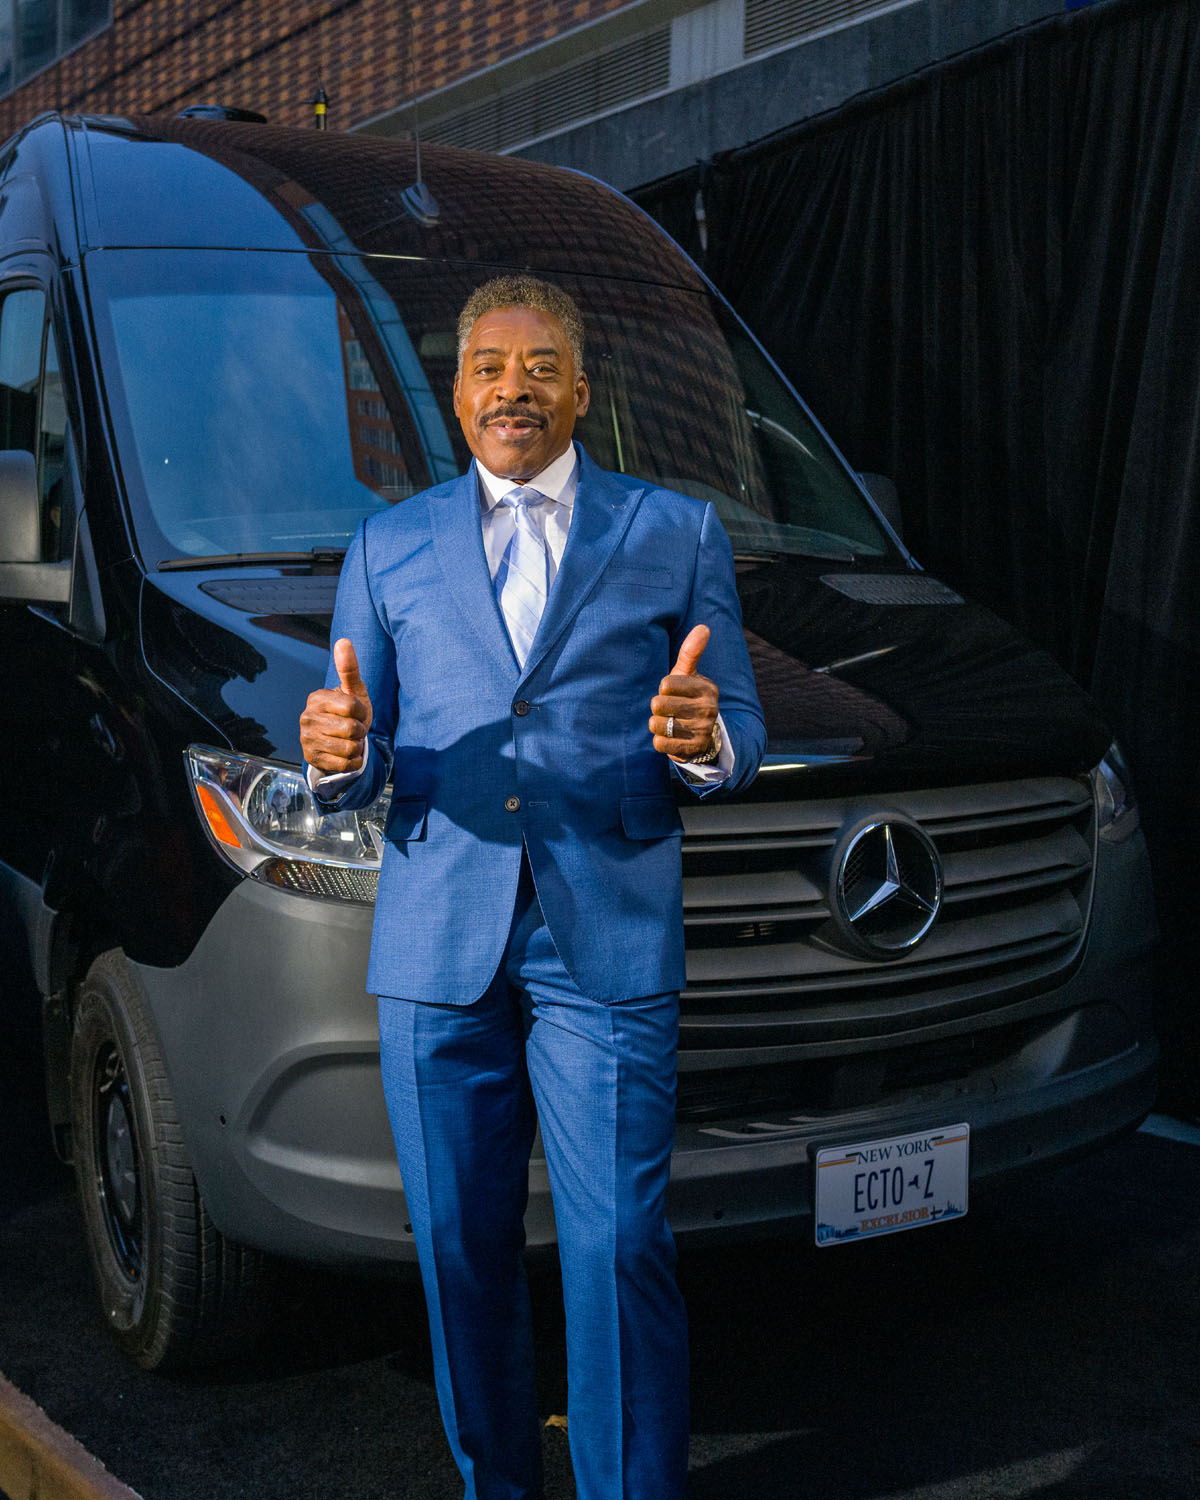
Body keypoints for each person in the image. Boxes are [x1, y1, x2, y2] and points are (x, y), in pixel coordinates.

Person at [299, 275, 765, 1500]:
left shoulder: (676, 532)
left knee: (616, 1250)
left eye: (541, 364)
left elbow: (742, 733)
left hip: (601, 935)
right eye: (490, 367)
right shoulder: (386, 545)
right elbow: (363, 752)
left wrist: (700, 738)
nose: (516, 385)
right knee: (460, 1252)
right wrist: (339, 759)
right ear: (456, 400)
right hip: (436, 941)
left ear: (583, 392)